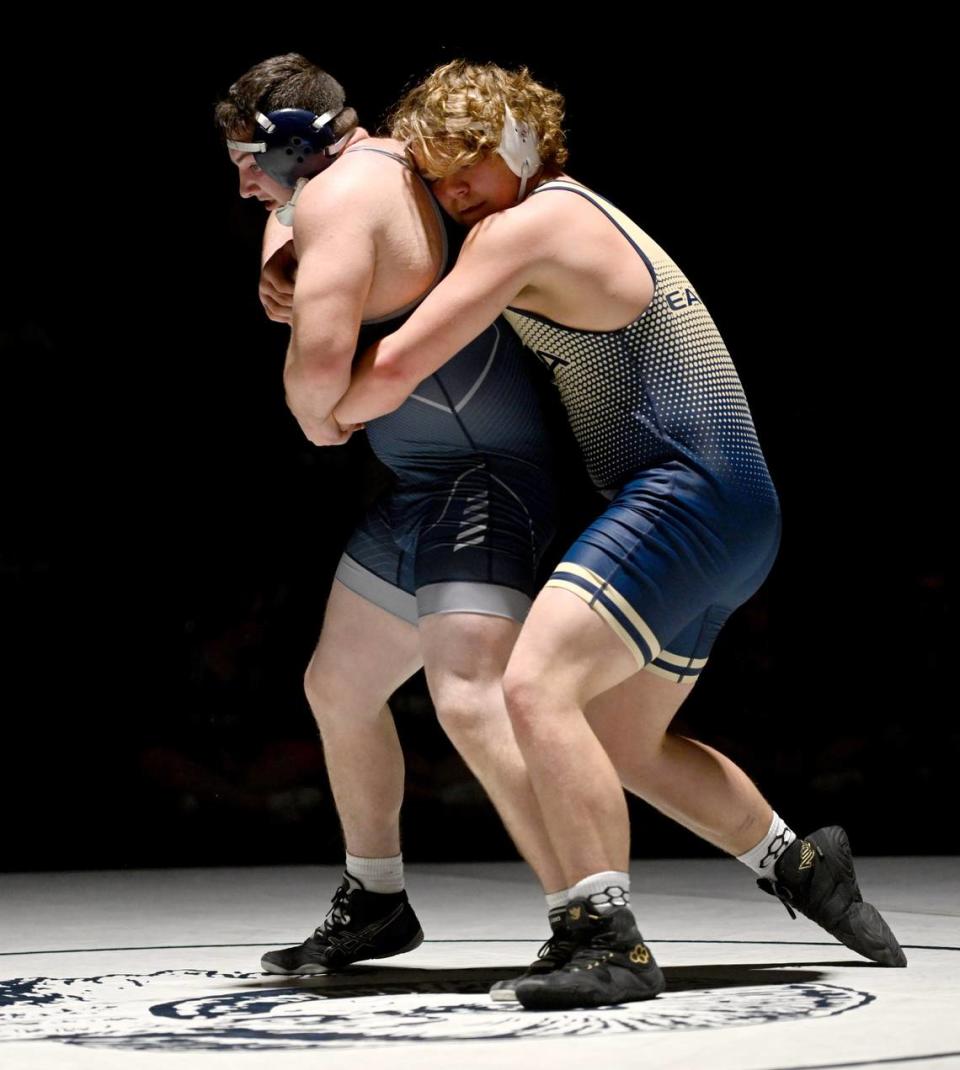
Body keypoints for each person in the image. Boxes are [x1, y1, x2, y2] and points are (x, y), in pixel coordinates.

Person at [332, 60, 907, 1009]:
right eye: (432, 175)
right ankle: (800, 862)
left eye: (462, 167)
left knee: (534, 686)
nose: (447, 193)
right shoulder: (565, 211)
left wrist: (322, 406)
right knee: (618, 738)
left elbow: (396, 365)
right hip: (728, 505)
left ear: (515, 148)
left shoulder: (523, 229)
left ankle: (606, 939)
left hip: (686, 493)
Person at [214, 54, 572, 976]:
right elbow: (303, 282)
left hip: (483, 477)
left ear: (298, 145)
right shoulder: (369, 172)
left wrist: (316, 412)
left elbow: (318, 382)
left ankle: (592, 912)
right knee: (337, 687)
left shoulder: (338, 199)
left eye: (252, 158)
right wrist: (285, 240)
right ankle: (376, 897)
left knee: (469, 698)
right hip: (429, 482)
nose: (243, 178)